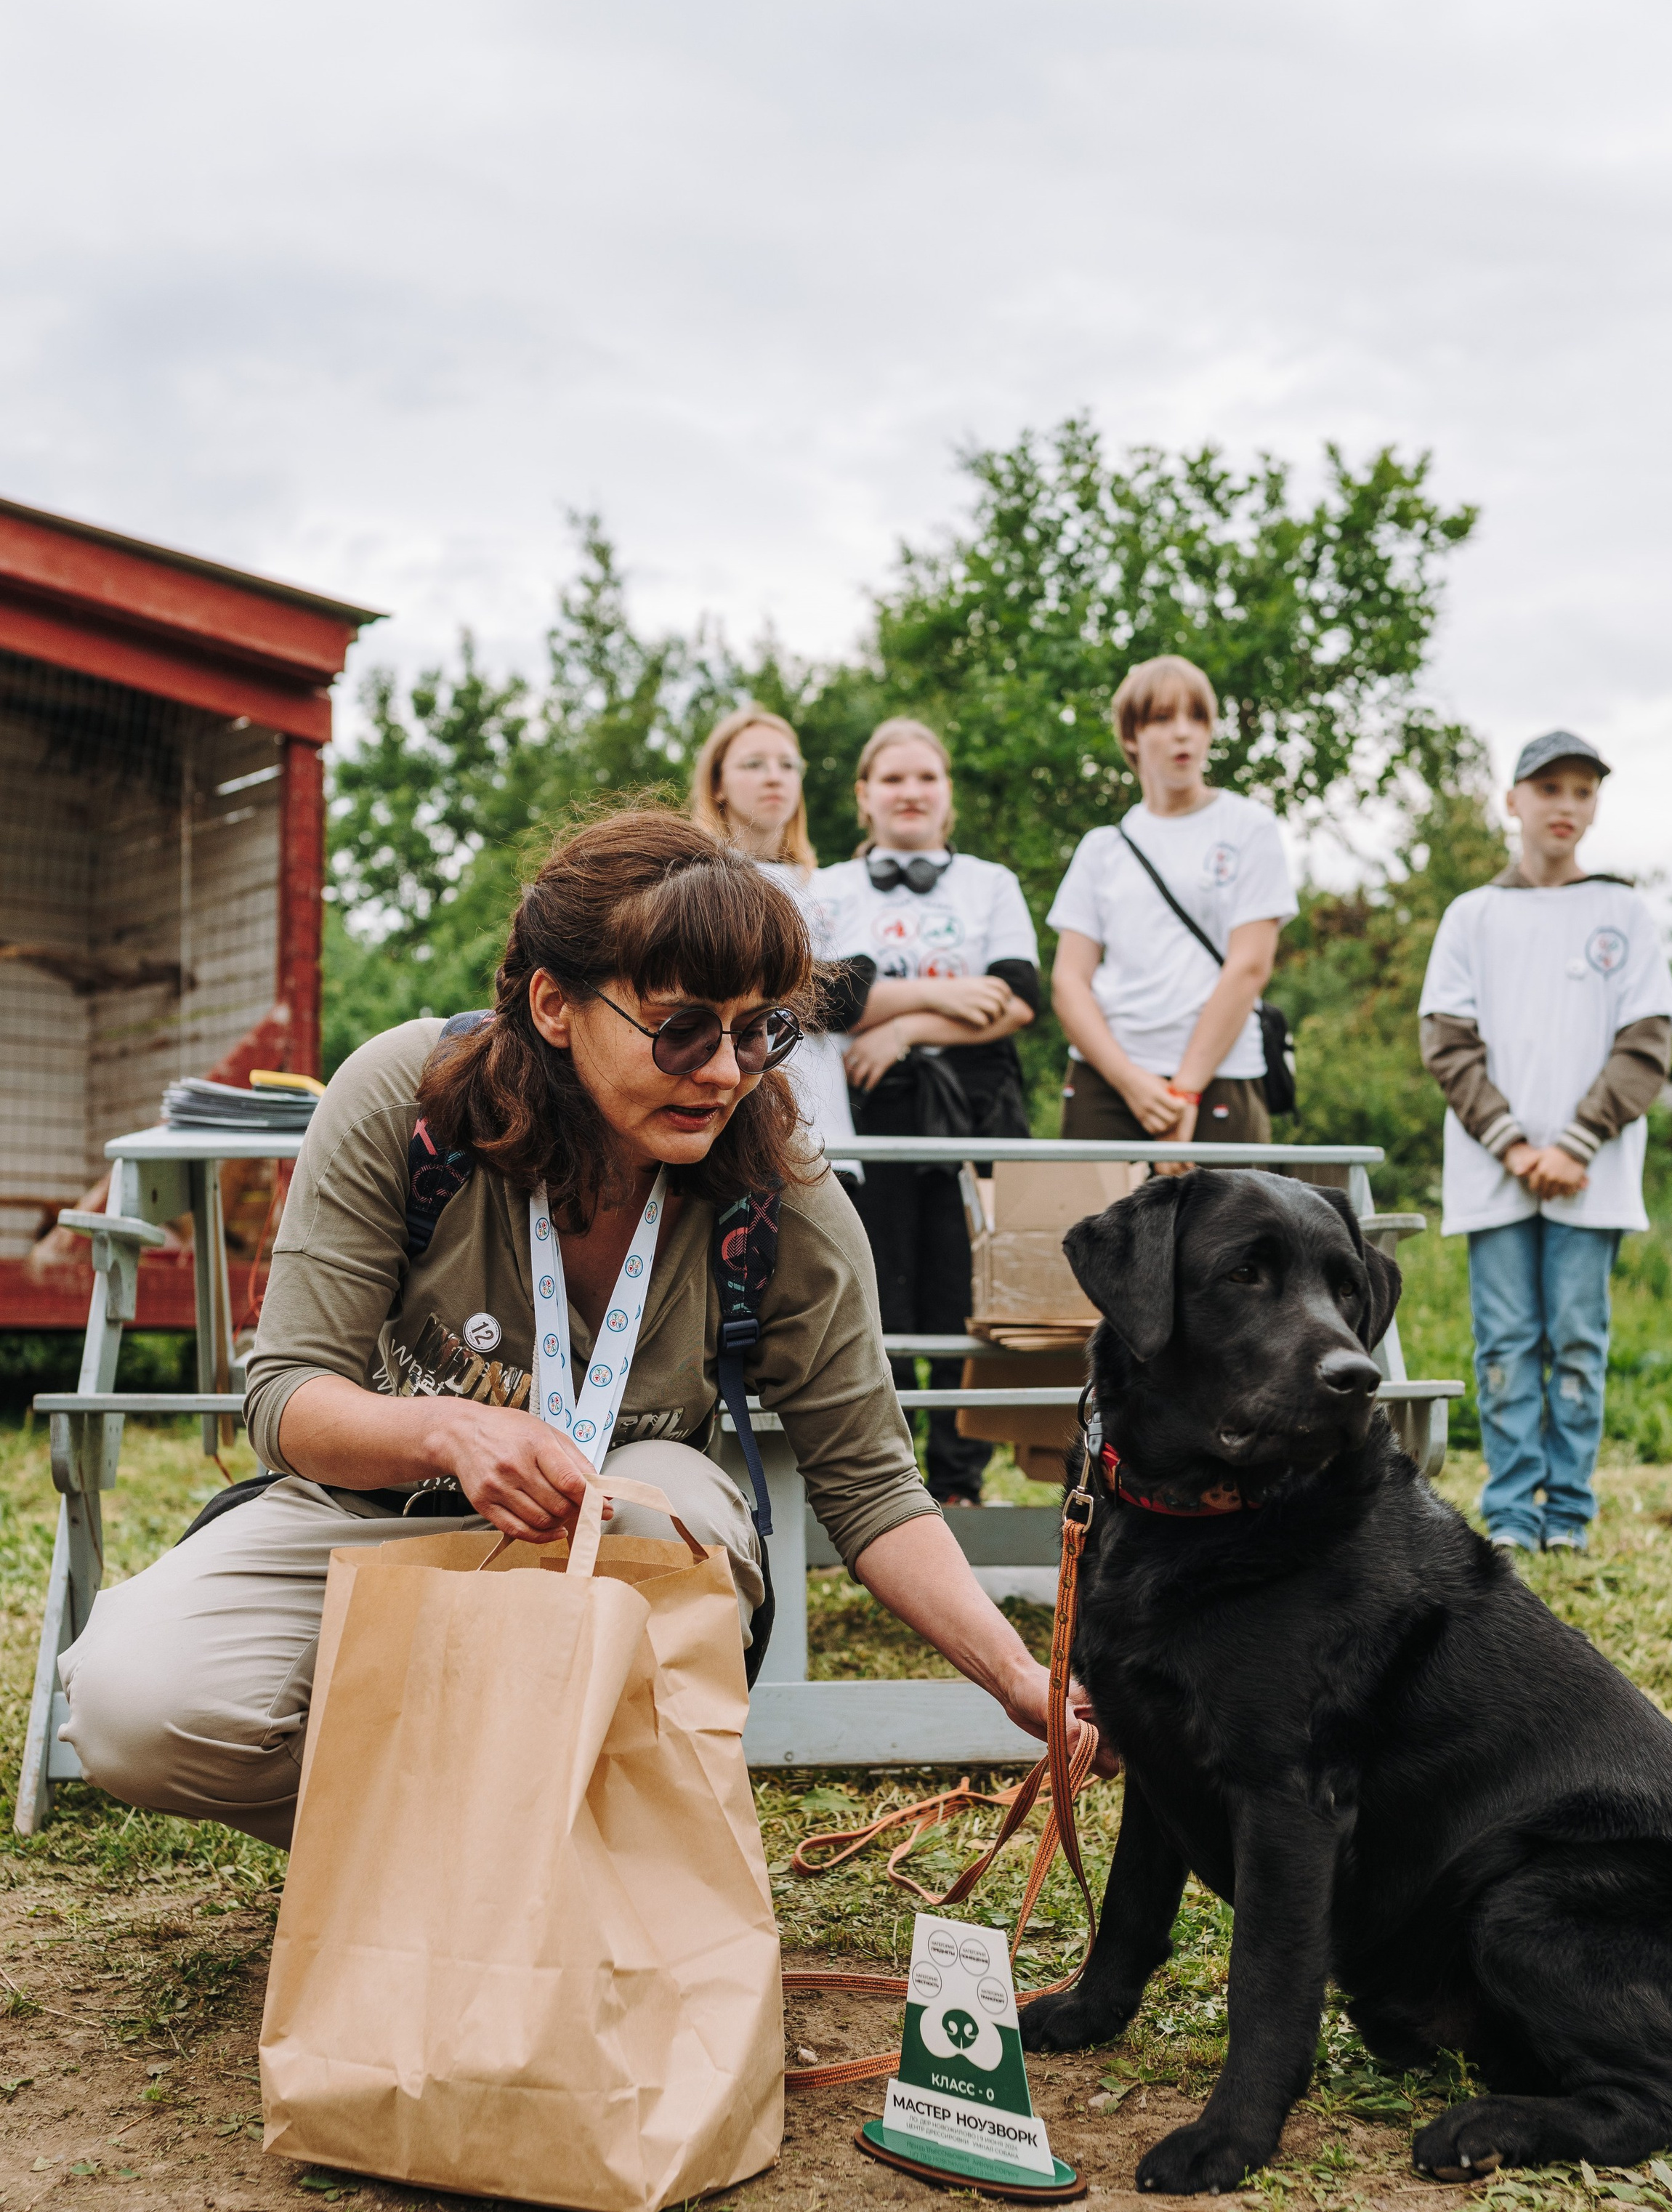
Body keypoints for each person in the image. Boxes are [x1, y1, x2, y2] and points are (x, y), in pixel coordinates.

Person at [57, 814, 1088, 1846]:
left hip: (611, 1540)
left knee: (667, 1508)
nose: (727, 1072)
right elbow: (286, 1395)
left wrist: (1015, 1676)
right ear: (555, 1004)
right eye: (681, 1028)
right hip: (372, 1512)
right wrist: (449, 1433)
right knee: (135, 1708)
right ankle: (464, 1852)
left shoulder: (783, 1195)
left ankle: (519, 1860)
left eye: (757, 1029)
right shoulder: (407, 1099)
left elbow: (871, 1487)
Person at [1418, 730, 1672, 1553]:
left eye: (1581, 791)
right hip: (1494, 1176)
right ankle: (1509, 1511)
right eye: (1548, 789)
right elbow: (1448, 1041)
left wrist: (1573, 1143)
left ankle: (1566, 1508)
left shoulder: (1622, 912)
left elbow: (1646, 1043)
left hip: (1591, 1175)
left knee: (1575, 1339)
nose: (1565, 805)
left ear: (1594, 804)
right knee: (1503, 1342)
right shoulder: (1473, 915)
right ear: (1513, 801)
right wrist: (1515, 1145)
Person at [811, 720, 1039, 1507]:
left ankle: (958, 1484)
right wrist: (946, 992)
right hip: (867, 1109)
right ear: (863, 796)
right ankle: (886, 1485)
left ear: (947, 795)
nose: (911, 792)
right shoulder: (830, 887)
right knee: (880, 1288)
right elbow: (830, 997)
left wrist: (902, 1023)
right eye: (894, 779)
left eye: (926, 778)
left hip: (975, 1106)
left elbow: (1017, 997)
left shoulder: (989, 881)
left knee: (965, 1289)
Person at [1048, 655, 1298, 1148]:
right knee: (1098, 1229)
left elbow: (1250, 965)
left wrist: (1184, 1092)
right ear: (1131, 736)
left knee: (1228, 1229)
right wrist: (1131, 1083)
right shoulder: (1103, 847)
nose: (1183, 733)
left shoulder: (1250, 827)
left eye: (1197, 717)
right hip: (1107, 1084)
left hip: (1222, 1075)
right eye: (1163, 718)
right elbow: (1068, 981)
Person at [690, 704, 870, 1179]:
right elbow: (697, 988)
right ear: (718, 784)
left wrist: (750, 981)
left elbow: (849, 999)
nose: (775, 777)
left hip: (826, 1137)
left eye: (788, 764)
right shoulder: (688, 881)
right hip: (720, 1126)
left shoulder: (836, 886)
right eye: (754, 764)